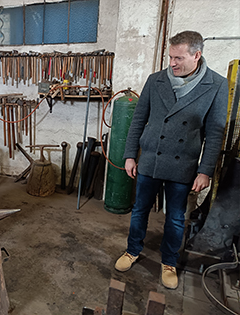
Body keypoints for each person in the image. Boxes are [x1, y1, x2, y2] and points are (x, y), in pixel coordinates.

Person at [114, 31, 228, 289]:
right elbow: (138, 121)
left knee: (175, 218)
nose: (172, 63)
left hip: (183, 165)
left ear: (196, 55)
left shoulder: (217, 85)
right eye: (170, 57)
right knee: (139, 210)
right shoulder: (155, 81)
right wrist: (130, 155)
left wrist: (205, 171)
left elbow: (215, 133)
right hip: (150, 161)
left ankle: (169, 262)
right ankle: (132, 250)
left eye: (178, 58)